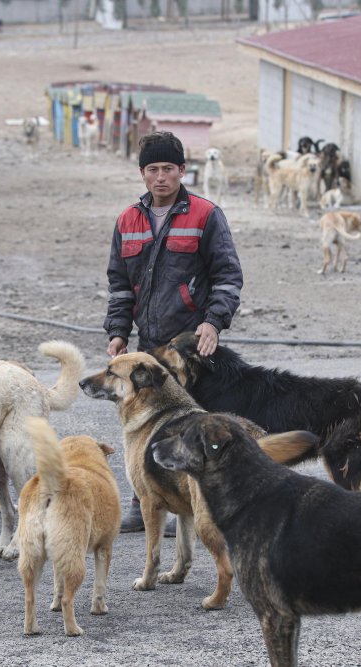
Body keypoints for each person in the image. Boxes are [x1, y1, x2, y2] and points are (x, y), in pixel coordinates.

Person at [104, 131, 243, 533]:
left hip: (191, 347)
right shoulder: (128, 221)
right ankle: (144, 502)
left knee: (193, 423)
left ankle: (204, 502)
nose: (161, 177)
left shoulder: (205, 215)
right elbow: (118, 284)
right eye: (153, 170)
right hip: (147, 347)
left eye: (168, 169)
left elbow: (228, 276)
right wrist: (118, 331)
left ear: (183, 171)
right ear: (142, 174)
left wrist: (213, 322)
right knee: (142, 421)